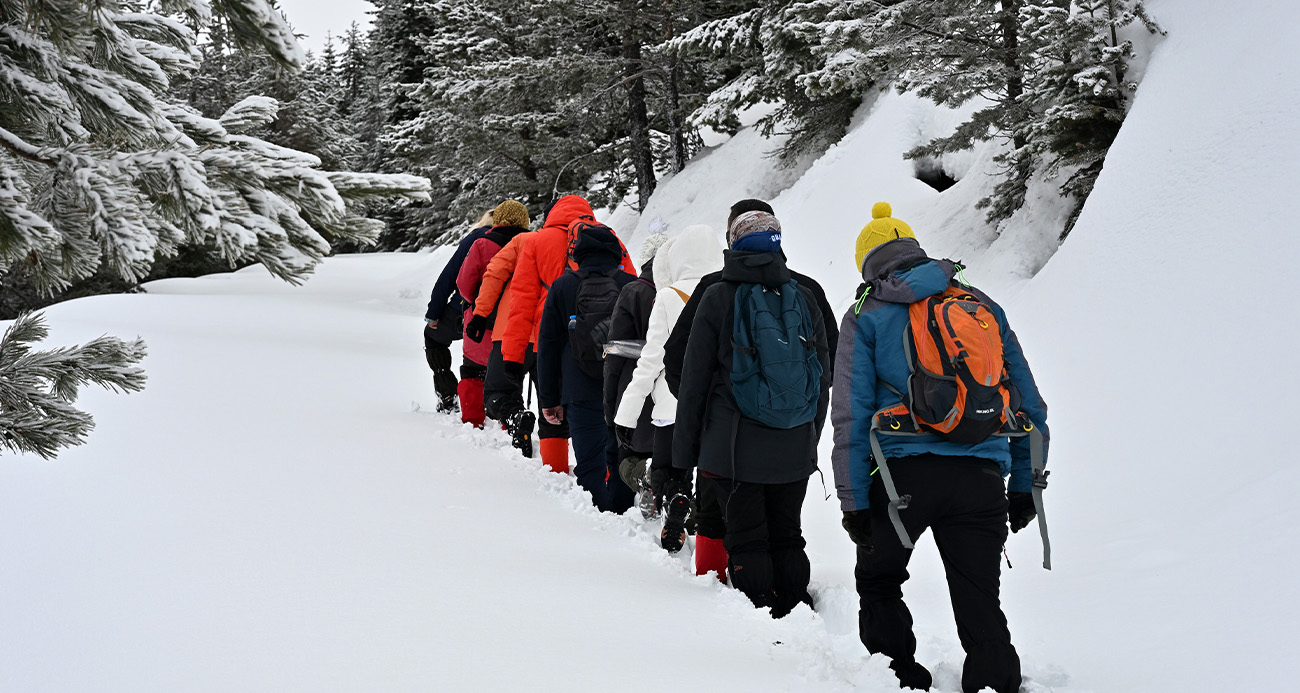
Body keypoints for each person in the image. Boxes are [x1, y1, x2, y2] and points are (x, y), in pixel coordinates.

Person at [830, 203, 1049, 693]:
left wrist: (854, 502)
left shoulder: (866, 312)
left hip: (900, 477)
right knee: (978, 593)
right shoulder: (978, 302)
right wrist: (1023, 485)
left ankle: (898, 678)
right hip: (982, 475)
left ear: (867, 262)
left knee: (880, 580)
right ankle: (994, 680)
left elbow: (851, 414)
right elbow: (1029, 404)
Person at [672, 210, 832, 617]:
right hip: (794, 442)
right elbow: (821, 377)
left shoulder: (717, 295)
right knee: (788, 533)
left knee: (747, 537)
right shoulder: (804, 293)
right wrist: (809, 436)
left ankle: (760, 616)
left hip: (733, 446)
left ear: (734, 244)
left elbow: (692, 380)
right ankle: (796, 601)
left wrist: (690, 451)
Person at [499, 194, 635, 475]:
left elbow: (522, 301)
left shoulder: (536, 241)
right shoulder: (609, 237)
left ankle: (556, 471)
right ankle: (608, 476)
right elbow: (632, 291)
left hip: (549, 338)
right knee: (605, 408)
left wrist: (512, 355)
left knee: (551, 408)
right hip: (604, 340)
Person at [613, 224, 722, 559]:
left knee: (665, 467)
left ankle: (675, 498)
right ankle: (698, 524)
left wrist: (627, 412)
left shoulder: (668, 295)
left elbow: (650, 360)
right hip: (712, 405)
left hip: (670, 403)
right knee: (705, 470)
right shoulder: (723, 292)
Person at [536, 223, 637, 513]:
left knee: (589, 461)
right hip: (622, 387)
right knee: (620, 453)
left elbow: (548, 347)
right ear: (615, 252)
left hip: (579, 388)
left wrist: (550, 400)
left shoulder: (563, 286)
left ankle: (598, 518)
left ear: (578, 253)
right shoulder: (629, 285)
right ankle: (622, 514)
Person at [605, 231, 670, 516]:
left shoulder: (634, 292)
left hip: (636, 392)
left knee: (627, 460)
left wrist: (610, 407)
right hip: (673, 392)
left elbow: (615, 354)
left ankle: (635, 503)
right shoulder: (686, 291)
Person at [455, 200, 531, 427]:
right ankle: (509, 422)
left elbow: (464, 283)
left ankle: (473, 420)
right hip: (519, 322)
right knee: (510, 372)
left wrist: (474, 305)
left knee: (472, 368)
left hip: (483, 320)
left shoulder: (482, 243)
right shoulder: (532, 243)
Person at [468, 229, 537, 456]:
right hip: (556, 335)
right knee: (553, 403)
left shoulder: (523, 241)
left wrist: (480, 314)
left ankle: (515, 418)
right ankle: (554, 464)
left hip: (512, 329)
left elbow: (494, 274)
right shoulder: (580, 241)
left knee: (498, 391)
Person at [424, 210, 494, 413]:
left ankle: (447, 395)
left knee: (433, 338)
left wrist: (434, 314)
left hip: (463, 309)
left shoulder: (476, 238)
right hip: (504, 313)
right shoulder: (522, 241)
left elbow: (449, 276)